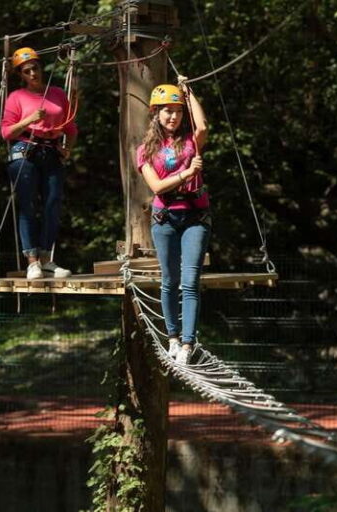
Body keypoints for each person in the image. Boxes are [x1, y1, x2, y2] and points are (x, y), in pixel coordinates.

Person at [136, 81, 210, 365]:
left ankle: (189, 343)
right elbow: (156, 186)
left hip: (195, 217)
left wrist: (188, 93)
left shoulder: (191, 140)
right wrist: (187, 172)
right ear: (156, 113)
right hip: (165, 217)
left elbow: (202, 126)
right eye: (168, 111)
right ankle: (173, 338)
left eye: (178, 111)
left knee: (190, 281)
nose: (173, 117)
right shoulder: (145, 150)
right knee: (170, 281)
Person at [0, 47, 78, 280]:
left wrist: (68, 149)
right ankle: (32, 261)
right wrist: (29, 119)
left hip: (52, 151)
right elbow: (6, 132)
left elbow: (71, 127)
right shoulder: (17, 97)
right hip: (25, 150)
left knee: (52, 204)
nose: (33, 73)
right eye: (27, 71)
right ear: (21, 75)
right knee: (28, 206)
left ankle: (46, 259)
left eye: (35, 68)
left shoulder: (56, 93)